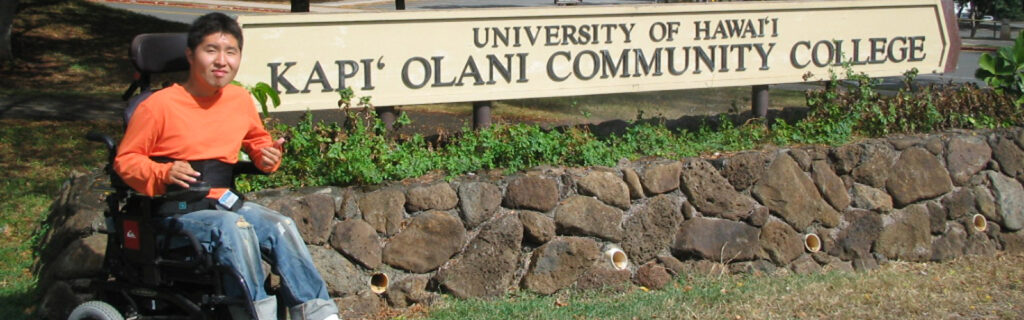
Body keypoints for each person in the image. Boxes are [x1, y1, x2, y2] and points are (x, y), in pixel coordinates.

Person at [113, 12, 340, 320]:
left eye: (231, 52)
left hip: (224, 202)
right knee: (234, 228)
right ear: (191, 54)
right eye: (211, 50)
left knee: (280, 226)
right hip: (175, 212)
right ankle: (255, 314)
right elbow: (126, 162)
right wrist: (164, 172)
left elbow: (257, 140)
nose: (222, 61)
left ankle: (318, 313)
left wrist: (265, 156)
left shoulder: (238, 99)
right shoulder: (157, 106)